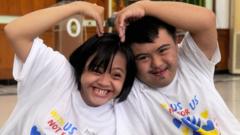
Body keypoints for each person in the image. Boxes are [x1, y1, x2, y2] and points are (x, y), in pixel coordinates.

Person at [1, 1, 147, 135]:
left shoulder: (120, 122)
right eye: (96, 70)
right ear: (82, 66)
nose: (104, 81)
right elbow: (15, 32)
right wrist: (78, 7)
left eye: (116, 75)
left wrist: (144, 7)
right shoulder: (58, 74)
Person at [115, 1, 240, 134]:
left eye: (163, 50)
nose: (157, 64)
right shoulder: (134, 94)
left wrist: (144, 6)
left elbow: (207, 20)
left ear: (176, 42)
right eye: (143, 57)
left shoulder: (191, 62)